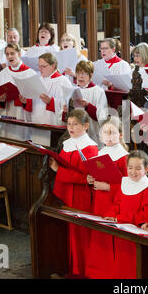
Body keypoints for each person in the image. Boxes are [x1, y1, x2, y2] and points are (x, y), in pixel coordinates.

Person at [49, 109, 99, 278]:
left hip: (81, 195)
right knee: (70, 234)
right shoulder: (67, 142)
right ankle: (71, 270)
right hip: (66, 192)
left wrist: (57, 170)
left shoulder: (90, 147)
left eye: (75, 124)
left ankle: (82, 272)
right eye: (69, 123)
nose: (70, 127)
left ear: (85, 126)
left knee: (81, 235)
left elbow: (87, 177)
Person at [85, 116, 129, 279]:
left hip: (114, 203)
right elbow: (96, 175)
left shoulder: (124, 157)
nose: (108, 136)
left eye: (112, 132)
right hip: (99, 201)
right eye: (105, 132)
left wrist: (109, 187)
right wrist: (90, 180)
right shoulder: (100, 153)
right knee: (98, 237)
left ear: (121, 135)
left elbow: (130, 186)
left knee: (111, 239)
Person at [103, 150, 148, 279]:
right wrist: (109, 216)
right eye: (130, 168)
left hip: (135, 232)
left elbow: (144, 214)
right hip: (119, 228)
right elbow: (117, 203)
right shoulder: (125, 182)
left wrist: (119, 218)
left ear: (146, 169)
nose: (133, 172)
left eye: (138, 168)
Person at [0, 43, 37, 141]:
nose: (9, 56)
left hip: (22, 113)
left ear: (19, 54)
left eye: (12, 53)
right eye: (7, 54)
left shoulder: (30, 73)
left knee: (20, 141)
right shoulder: (3, 73)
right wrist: (0, 100)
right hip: (7, 111)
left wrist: (26, 102)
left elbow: (36, 98)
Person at [66, 60, 109, 146]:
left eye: (84, 74)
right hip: (75, 133)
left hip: (93, 134)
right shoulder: (72, 90)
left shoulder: (98, 91)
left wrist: (88, 106)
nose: (80, 77)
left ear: (91, 75)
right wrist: (66, 109)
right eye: (78, 73)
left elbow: (102, 117)